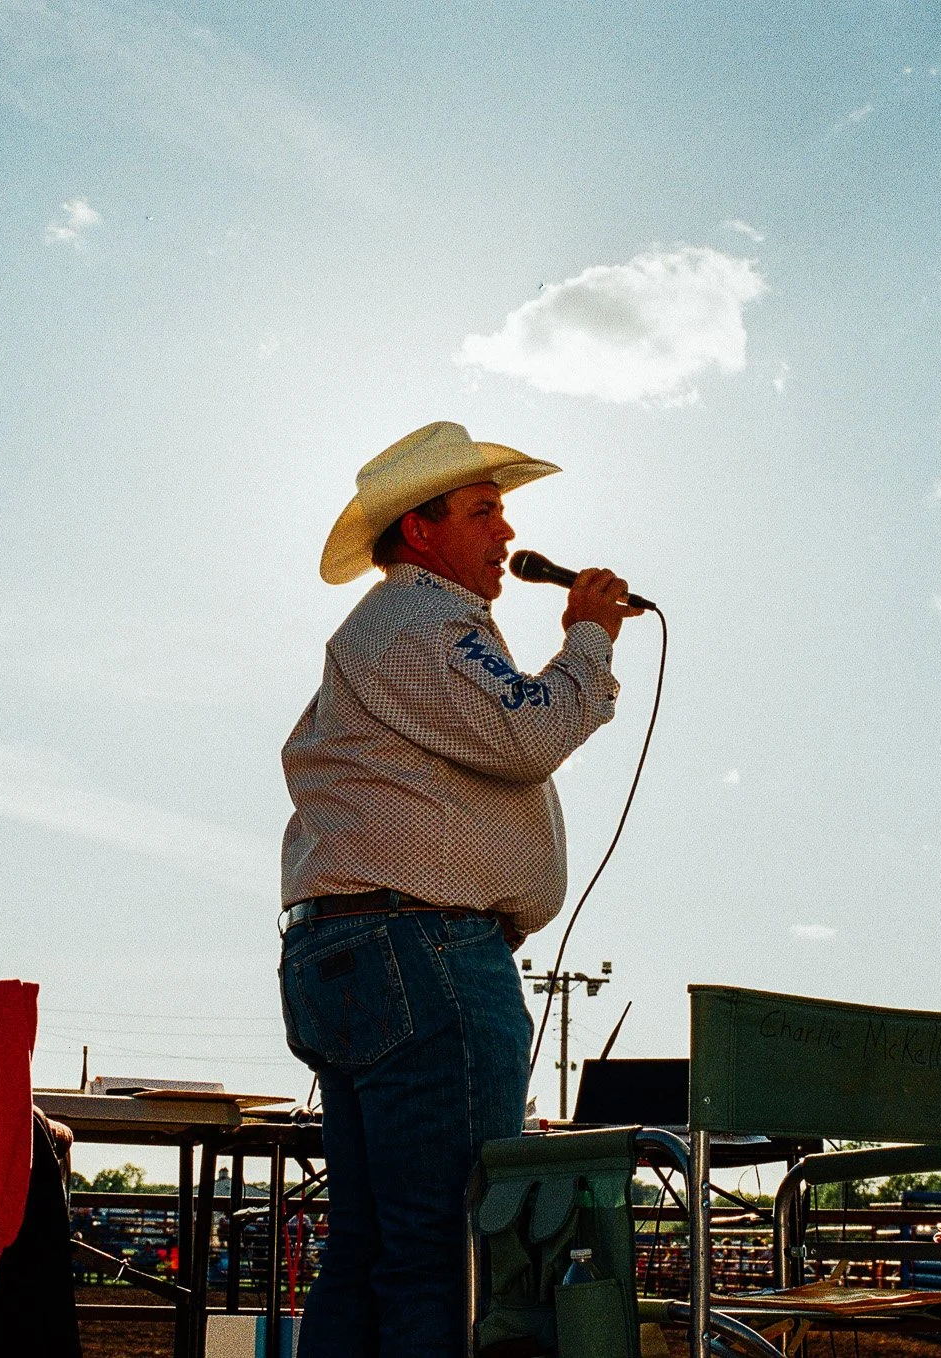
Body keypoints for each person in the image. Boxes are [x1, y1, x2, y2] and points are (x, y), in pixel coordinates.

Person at [278, 421, 640, 1357]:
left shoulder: (392, 630)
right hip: (426, 952)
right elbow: (528, 734)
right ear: (421, 532)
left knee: (369, 1248)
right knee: (444, 1248)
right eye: (483, 510)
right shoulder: (426, 623)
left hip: (357, 947)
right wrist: (589, 639)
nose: (505, 530)